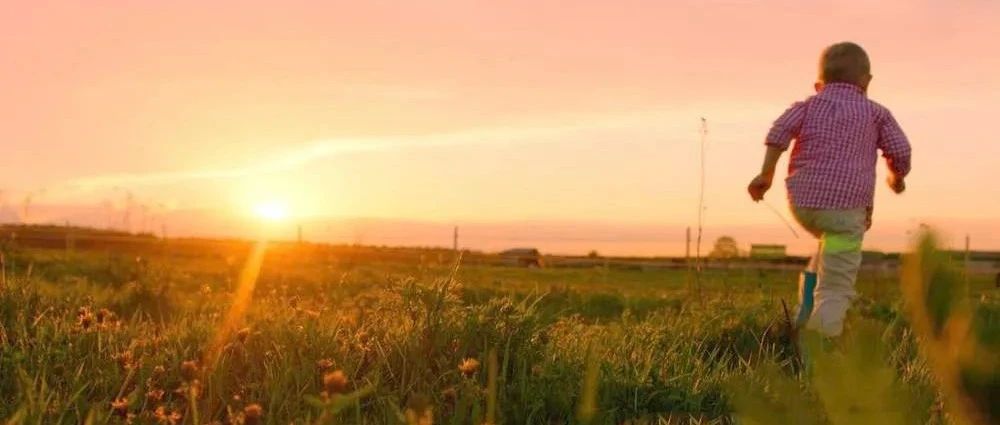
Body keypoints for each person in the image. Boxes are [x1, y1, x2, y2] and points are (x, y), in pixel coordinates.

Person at [747, 42, 912, 339]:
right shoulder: (876, 113)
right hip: (844, 214)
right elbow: (900, 151)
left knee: (826, 252)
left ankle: (800, 320)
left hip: (804, 206)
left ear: (819, 84)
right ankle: (817, 351)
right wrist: (896, 177)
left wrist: (766, 174)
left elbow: (778, 133)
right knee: (836, 285)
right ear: (867, 81)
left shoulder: (808, 106)